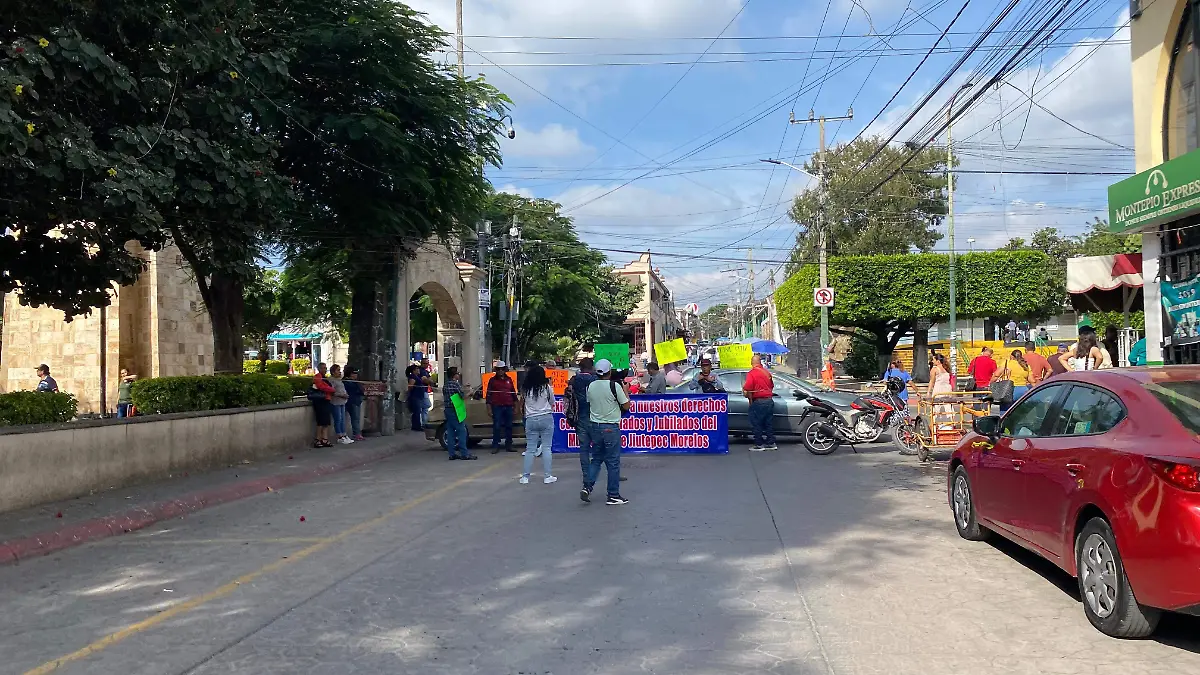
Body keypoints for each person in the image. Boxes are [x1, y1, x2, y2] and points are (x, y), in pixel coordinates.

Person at [581, 359, 630, 505]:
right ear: (609, 371)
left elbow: (590, 403)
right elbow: (626, 405)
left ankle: (587, 487)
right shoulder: (614, 386)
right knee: (613, 462)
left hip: (595, 426)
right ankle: (613, 494)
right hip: (610, 427)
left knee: (596, 459)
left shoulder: (591, 386)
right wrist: (626, 390)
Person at [520, 365, 557, 485]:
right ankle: (547, 476)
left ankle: (525, 477)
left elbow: (522, 402)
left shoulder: (525, 389)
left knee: (530, 449)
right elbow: (552, 402)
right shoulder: (546, 387)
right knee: (546, 447)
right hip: (546, 417)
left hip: (530, 419)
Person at [567, 358, 598, 484]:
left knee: (584, 448)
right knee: (600, 448)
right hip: (595, 416)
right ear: (591, 367)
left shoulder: (574, 381)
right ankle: (597, 472)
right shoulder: (596, 380)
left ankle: (586, 474)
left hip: (580, 417)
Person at [743, 355, 777, 452]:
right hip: (769, 401)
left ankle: (759, 444)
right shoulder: (767, 372)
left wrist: (744, 389)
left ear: (752, 362)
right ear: (760, 362)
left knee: (757, 423)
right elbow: (771, 385)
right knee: (768, 423)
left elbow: (748, 387)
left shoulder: (752, 373)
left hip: (759, 401)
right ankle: (771, 443)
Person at [442, 367, 476, 461]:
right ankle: (464, 453)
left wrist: (464, 387)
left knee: (451, 432)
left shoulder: (446, 385)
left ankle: (451, 453)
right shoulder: (455, 384)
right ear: (454, 375)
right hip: (456, 409)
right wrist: (470, 393)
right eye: (457, 373)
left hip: (448, 409)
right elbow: (462, 396)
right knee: (462, 431)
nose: (459, 375)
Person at [485, 362, 516, 454]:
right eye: (498, 369)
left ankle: (509, 445)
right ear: (496, 370)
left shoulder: (509, 379)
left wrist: (516, 406)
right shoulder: (492, 380)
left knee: (509, 426)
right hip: (497, 406)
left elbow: (513, 393)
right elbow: (488, 395)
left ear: (505, 369)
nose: (500, 371)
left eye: (502, 369)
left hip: (508, 406)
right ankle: (495, 445)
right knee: (497, 426)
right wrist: (489, 408)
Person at [310, 362, 335, 447]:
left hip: (326, 400)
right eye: (323, 368)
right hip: (320, 401)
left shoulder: (325, 378)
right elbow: (321, 386)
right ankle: (318, 439)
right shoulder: (317, 377)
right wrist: (331, 389)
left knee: (326, 421)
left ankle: (325, 439)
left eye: (325, 368)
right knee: (320, 421)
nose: (325, 369)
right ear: (320, 369)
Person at [928, 354, 954, 427]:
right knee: (948, 407)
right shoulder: (947, 368)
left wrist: (928, 392)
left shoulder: (935, 369)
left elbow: (932, 381)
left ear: (938, 361)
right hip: (947, 390)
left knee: (935, 408)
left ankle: (933, 425)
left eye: (933, 360)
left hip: (938, 390)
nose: (932, 361)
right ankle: (952, 423)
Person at [328, 365, 352, 444]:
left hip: (342, 402)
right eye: (338, 370)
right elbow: (332, 391)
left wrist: (346, 395)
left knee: (342, 420)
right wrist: (341, 395)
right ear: (333, 372)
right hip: (335, 402)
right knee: (338, 419)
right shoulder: (331, 380)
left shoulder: (339, 380)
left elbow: (342, 389)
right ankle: (340, 436)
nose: (340, 372)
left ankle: (344, 434)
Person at [344, 366, 365, 442]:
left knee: (357, 418)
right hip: (352, 401)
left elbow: (362, 390)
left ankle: (357, 433)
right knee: (355, 418)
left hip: (357, 401)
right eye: (354, 373)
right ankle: (356, 434)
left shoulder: (355, 382)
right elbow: (356, 390)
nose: (355, 375)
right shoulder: (347, 382)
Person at [405, 365, 424, 432]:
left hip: (418, 396)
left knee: (417, 411)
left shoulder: (417, 377)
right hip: (415, 396)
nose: (418, 370)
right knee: (417, 411)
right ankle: (417, 426)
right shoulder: (413, 377)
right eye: (417, 369)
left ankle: (415, 425)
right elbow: (410, 386)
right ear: (413, 370)